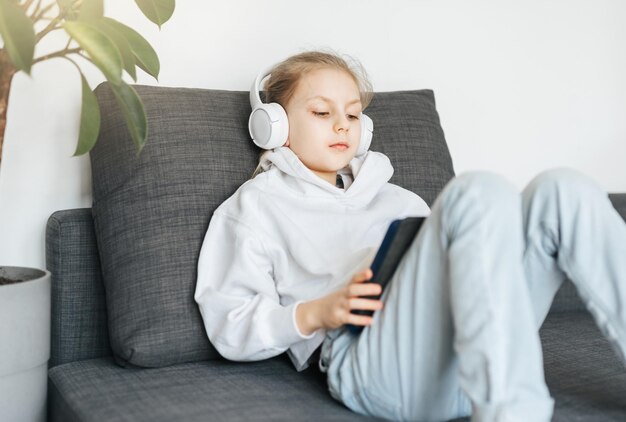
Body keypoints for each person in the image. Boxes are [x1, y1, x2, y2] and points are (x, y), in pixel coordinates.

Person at [194, 50, 626, 422]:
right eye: (323, 112)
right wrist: (317, 313)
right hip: (371, 365)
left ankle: (501, 394)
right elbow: (228, 326)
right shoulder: (253, 208)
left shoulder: (398, 199)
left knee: (563, 189)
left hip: (468, 356)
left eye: (352, 114)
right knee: (479, 191)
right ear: (275, 126)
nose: (342, 125)